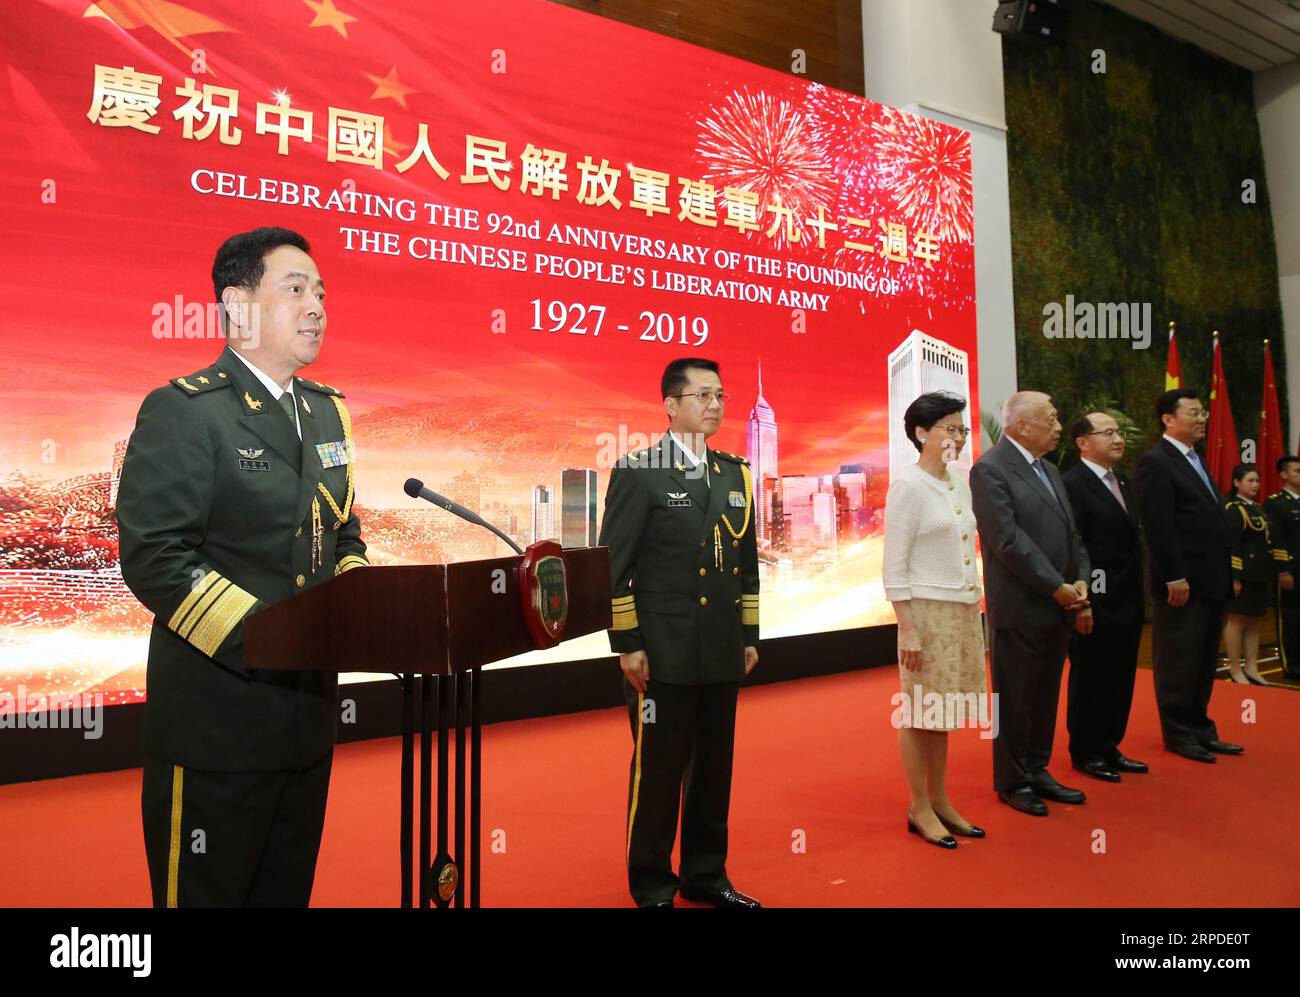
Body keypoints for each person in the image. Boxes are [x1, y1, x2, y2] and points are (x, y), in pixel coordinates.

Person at [117, 227, 368, 906]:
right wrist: (270, 637)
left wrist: (351, 606)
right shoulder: (186, 411)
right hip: (216, 728)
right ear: (238, 304)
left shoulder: (327, 415)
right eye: (295, 289)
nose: (316, 305)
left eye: (320, 292)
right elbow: (155, 556)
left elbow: (345, 534)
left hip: (306, 726)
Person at [598, 357, 761, 908]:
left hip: (718, 645)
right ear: (670, 405)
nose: (714, 405)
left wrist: (749, 635)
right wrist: (628, 644)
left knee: (714, 768)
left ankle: (706, 876)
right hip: (661, 652)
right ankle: (651, 884)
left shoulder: (734, 472)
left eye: (720, 395)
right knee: (660, 771)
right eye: (702, 395)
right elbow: (614, 567)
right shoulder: (640, 470)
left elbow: (746, 564)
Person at [970, 391, 1090, 817]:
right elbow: (1006, 541)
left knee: (1044, 694)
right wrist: (1055, 585)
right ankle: (1012, 780)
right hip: (1022, 604)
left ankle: (1037, 768)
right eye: (1052, 420)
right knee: (1015, 697)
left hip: (1058, 603)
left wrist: (1079, 580)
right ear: (1022, 425)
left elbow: (1072, 534)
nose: (1060, 428)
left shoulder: (1051, 471)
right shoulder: (990, 469)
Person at [883, 391, 987, 849]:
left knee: (942, 714)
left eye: (962, 429)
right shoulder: (908, 486)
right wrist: (908, 625)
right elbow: (894, 565)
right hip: (925, 614)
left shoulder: (958, 483)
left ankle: (941, 799)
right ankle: (918, 805)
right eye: (949, 427)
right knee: (918, 711)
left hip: (962, 610)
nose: (958, 436)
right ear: (922, 433)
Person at [1133, 389, 1241, 763]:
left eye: (1203, 413)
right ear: (1168, 419)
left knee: (1203, 658)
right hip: (1183, 583)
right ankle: (1179, 733)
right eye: (1194, 412)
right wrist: (1174, 575)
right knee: (1179, 659)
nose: (1202, 419)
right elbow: (1159, 526)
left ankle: (1200, 728)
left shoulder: (1195, 458)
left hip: (1211, 578)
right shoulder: (1156, 461)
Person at [1061, 412, 1148, 782]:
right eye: (1108, 433)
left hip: (1128, 596)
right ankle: (1086, 750)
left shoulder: (1122, 480)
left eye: (1120, 432)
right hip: (1095, 598)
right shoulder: (1072, 484)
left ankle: (1110, 744)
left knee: (1121, 674)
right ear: (1083, 443)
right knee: (1092, 675)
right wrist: (1088, 600)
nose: (1118, 438)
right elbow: (1077, 547)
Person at [1222, 464, 1286, 685]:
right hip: (1243, 574)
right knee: (1237, 621)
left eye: (1257, 481)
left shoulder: (1258, 508)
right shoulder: (1233, 509)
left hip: (1260, 574)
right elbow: (1232, 544)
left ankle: (1252, 666)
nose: (1255, 485)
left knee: (1254, 622)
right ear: (1237, 483)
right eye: (1250, 480)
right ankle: (1234, 667)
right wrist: (1234, 576)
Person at [1262, 456, 1300, 680]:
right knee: (1291, 618)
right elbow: (1276, 540)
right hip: (1292, 570)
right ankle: (1292, 664)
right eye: (1297, 470)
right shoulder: (1276, 503)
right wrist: (1283, 570)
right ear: (1284, 475)